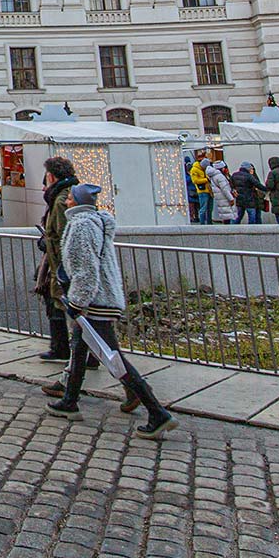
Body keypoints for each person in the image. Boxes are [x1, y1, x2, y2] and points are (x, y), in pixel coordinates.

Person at [42, 180, 176, 437]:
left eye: (70, 197)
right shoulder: (98, 222)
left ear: (78, 203)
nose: (67, 200)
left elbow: (85, 269)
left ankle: (156, 411)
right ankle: (69, 401)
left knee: (112, 356)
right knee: (79, 350)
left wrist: (77, 302)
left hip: (95, 301)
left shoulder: (81, 226)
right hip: (103, 297)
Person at [33, 158, 76, 362]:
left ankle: (64, 349)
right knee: (61, 304)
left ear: (51, 176)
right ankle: (68, 349)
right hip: (58, 263)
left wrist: (49, 245)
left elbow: (62, 235)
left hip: (60, 265)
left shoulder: (61, 200)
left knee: (62, 305)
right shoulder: (68, 194)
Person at [187, 153, 212, 224]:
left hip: (209, 191)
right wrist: (206, 180)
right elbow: (195, 180)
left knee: (209, 208)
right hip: (202, 191)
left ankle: (209, 222)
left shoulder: (205, 169)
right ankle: (202, 223)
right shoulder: (194, 170)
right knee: (203, 208)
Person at [207, 160, 234, 225]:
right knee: (228, 216)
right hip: (224, 197)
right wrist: (231, 198)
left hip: (220, 197)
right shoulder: (220, 176)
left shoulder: (213, 176)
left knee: (225, 216)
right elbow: (225, 189)